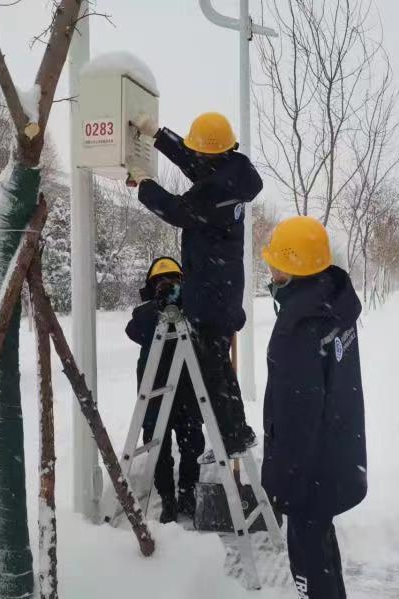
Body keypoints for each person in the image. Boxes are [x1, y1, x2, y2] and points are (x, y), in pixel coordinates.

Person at [126, 112, 260, 457]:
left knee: (212, 371)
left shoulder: (215, 190)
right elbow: (194, 162)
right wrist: (158, 135)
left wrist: (145, 184)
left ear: (211, 153)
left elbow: (177, 210)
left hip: (211, 295)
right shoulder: (233, 170)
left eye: (199, 149)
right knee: (219, 366)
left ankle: (232, 436)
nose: (195, 155)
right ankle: (237, 432)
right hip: (224, 287)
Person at [260, 216, 367, 599]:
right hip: (334, 456)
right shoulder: (333, 304)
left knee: (309, 566)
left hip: (308, 474)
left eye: (276, 264)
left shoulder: (299, 327)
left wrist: (285, 484)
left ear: (292, 268)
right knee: (323, 551)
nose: (270, 271)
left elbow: (296, 417)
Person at [125, 257, 205, 523]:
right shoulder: (145, 315)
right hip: (155, 395)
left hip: (187, 392)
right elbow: (134, 330)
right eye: (161, 282)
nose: (168, 285)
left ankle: (187, 492)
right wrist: (157, 307)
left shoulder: (192, 311)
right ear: (152, 287)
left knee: (192, 445)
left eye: (173, 280)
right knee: (158, 449)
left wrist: (181, 305)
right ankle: (168, 498)